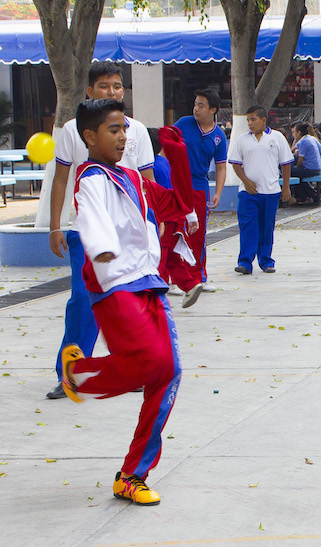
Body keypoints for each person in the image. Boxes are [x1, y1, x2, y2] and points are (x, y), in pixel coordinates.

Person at [61, 99, 193, 506]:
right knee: (151, 361)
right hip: (114, 284)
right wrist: (100, 249)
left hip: (148, 281)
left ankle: (132, 475)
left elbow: (175, 203)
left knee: (168, 372)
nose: (123, 136)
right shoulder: (90, 178)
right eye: (113, 130)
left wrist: (180, 158)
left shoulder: (133, 178)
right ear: (89, 136)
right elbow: (90, 217)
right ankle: (79, 373)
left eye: (125, 129)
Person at [46, 61, 157, 400]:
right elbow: (61, 178)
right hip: (88, 232)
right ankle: (72, 374)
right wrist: (54, 227)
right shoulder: (71, 131)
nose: (112, 92)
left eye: (117, 86)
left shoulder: (136, 130)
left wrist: (157, 223)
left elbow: (148, 180)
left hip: (131, 231)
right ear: (90, 91)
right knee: (83, 300)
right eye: (105, 86)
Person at [228, 106, 293, 275]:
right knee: (248, 226)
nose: (250, 123)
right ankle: (245, 262)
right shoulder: (242, 140)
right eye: (248, 120)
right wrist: (246, 182)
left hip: (271, 191)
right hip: (248, 192)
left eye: (253, 119)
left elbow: (286, 163)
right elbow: (235, 163)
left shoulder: (277, 137)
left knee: (266, 227)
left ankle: (266, 261)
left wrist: (285, 187)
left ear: (264, 120)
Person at [173, 89, 228, 292]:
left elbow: (221, 166)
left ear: (213, 109)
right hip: (175, 184)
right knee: (174, 231)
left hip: (199, 188)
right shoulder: (183, 124)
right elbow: (165, 146)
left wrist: (218, 193)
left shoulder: (219, 136)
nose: (196, 108)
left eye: (201, 105)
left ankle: (198, 277)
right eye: (195, 104)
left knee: (197, 234)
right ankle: (175, 278)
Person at [147, 127, 203, 308]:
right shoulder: (165, 163)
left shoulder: (151, 167)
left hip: (164, 216)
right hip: (175, 216)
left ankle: (159, 297)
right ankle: (191, 284)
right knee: (171, 256)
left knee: (159, 258)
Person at [286, 122, 321, 204]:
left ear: (299, 132)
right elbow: (293, 149)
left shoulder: (304, 142)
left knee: (289, 173)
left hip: (311, 169)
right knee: (298, 175)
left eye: (294, 132)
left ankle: (301, 196)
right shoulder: (311, 138)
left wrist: (296, 168)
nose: (293, 134)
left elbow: (300, 161)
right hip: (318, 168)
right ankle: (306, 195)